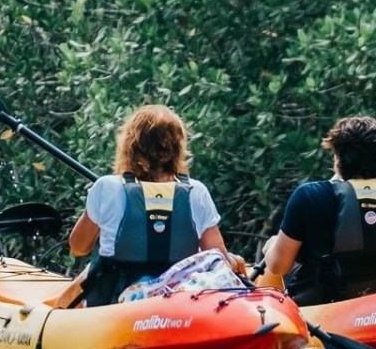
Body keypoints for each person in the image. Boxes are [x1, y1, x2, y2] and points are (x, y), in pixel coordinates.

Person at [67, 105, 246, 307]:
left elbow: (78, 247)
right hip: (176, 305)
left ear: (130, 146)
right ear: (177, 148)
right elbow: (218, 257)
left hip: (114, 305)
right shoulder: (197, 192)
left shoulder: (106, 187)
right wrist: (233, 259)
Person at [254, 116, 376, 305]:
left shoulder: (310, 195)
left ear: (338, 160)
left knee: (274, 248)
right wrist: (371, 148)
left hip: (321, 304)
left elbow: (279, 267)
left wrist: (271, 247)